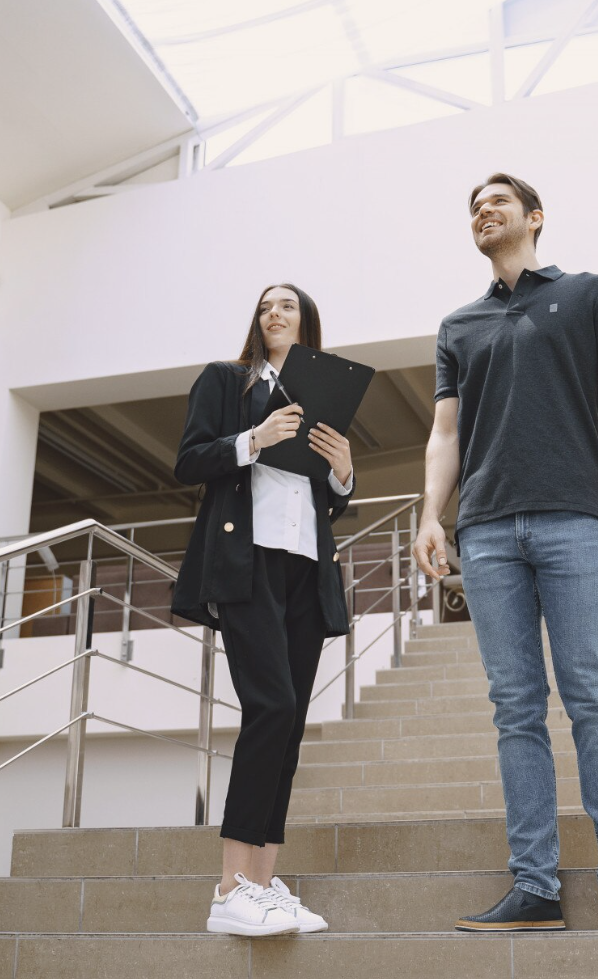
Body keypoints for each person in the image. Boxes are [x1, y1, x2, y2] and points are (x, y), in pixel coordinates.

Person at [413, 173, 598, 933]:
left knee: (593, 697)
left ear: (534, 217)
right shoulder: (457, 325)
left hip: (574, 521)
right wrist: (432, 515)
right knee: (515, 710)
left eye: (498, 200)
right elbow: (445, 433)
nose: (483, 210)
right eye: (472, 205)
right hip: (487, 532)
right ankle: (535, 887)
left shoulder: (589, 293)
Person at [172, 283, 355, 937]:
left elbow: (326, 499)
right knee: (270, 707)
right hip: (244, 564)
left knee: (289, 725)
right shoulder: (227, 380)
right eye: (266, 305)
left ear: (307, 324)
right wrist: (253, 438)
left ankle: (265, 883)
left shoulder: (322, 396)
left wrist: (342, 472)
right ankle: (230, 888)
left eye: (288, 306)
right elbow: (188, 459)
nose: (274, 313)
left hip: (306, 568)